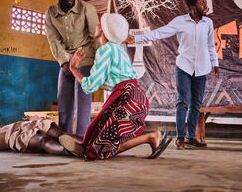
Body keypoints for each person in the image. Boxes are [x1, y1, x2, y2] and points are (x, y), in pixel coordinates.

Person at [59, 13, 172, 160]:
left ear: (105, 31)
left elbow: (90, 86)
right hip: (136, 97)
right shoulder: (119, 50)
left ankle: (151, 137)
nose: (97, 26)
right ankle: (88, 145)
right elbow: (112, 84)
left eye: (100, 24)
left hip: (127, 100)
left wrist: (74, 69)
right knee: (98, 136)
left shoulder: (105, 50)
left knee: (99, 150)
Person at [126, 0, 220, 150]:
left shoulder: (208, 23)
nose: (205, 5)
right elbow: (159, 33)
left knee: (196, 103)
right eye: (202, 3)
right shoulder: (180, 22)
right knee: (183, 102)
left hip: (202, 68)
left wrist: (215, 63)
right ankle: (181, 138)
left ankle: (191, 137)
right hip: (184, 66)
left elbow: (211, 45)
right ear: (192, 7)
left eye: (205, 2)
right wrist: (136, 39)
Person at [45, 0, 99, 136]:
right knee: (64, 98)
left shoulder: (87, 8)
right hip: (66, 59)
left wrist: (100, 62)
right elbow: (53, 41)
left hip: (86, 57)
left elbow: (94, 36)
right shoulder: (51, 13)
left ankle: (82, 138)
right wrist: (64, 62)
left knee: (82, 97)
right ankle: (64, 137)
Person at [0, 116, 78, 156]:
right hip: (26, 128)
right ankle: (80, 145)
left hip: (26, 127)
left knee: (46, 139)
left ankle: (68, 150)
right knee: (54, 135)